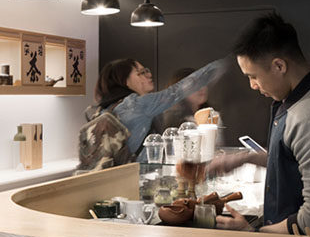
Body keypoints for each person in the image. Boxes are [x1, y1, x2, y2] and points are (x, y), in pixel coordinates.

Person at [212, 12, 310, 236]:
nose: (252, 85)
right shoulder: (299, 99)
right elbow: (294, 158)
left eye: (253, 76)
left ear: (279, 66)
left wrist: (253, 233)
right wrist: (245, 158)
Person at [77, 56, 227, 172]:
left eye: (146, 70)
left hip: (111, 182)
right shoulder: (137, 104)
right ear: (125, 81)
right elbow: (178, 90)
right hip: (138, 183)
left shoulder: (104, 108)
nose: (148, 75)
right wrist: (224, 63)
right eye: (141, 73)